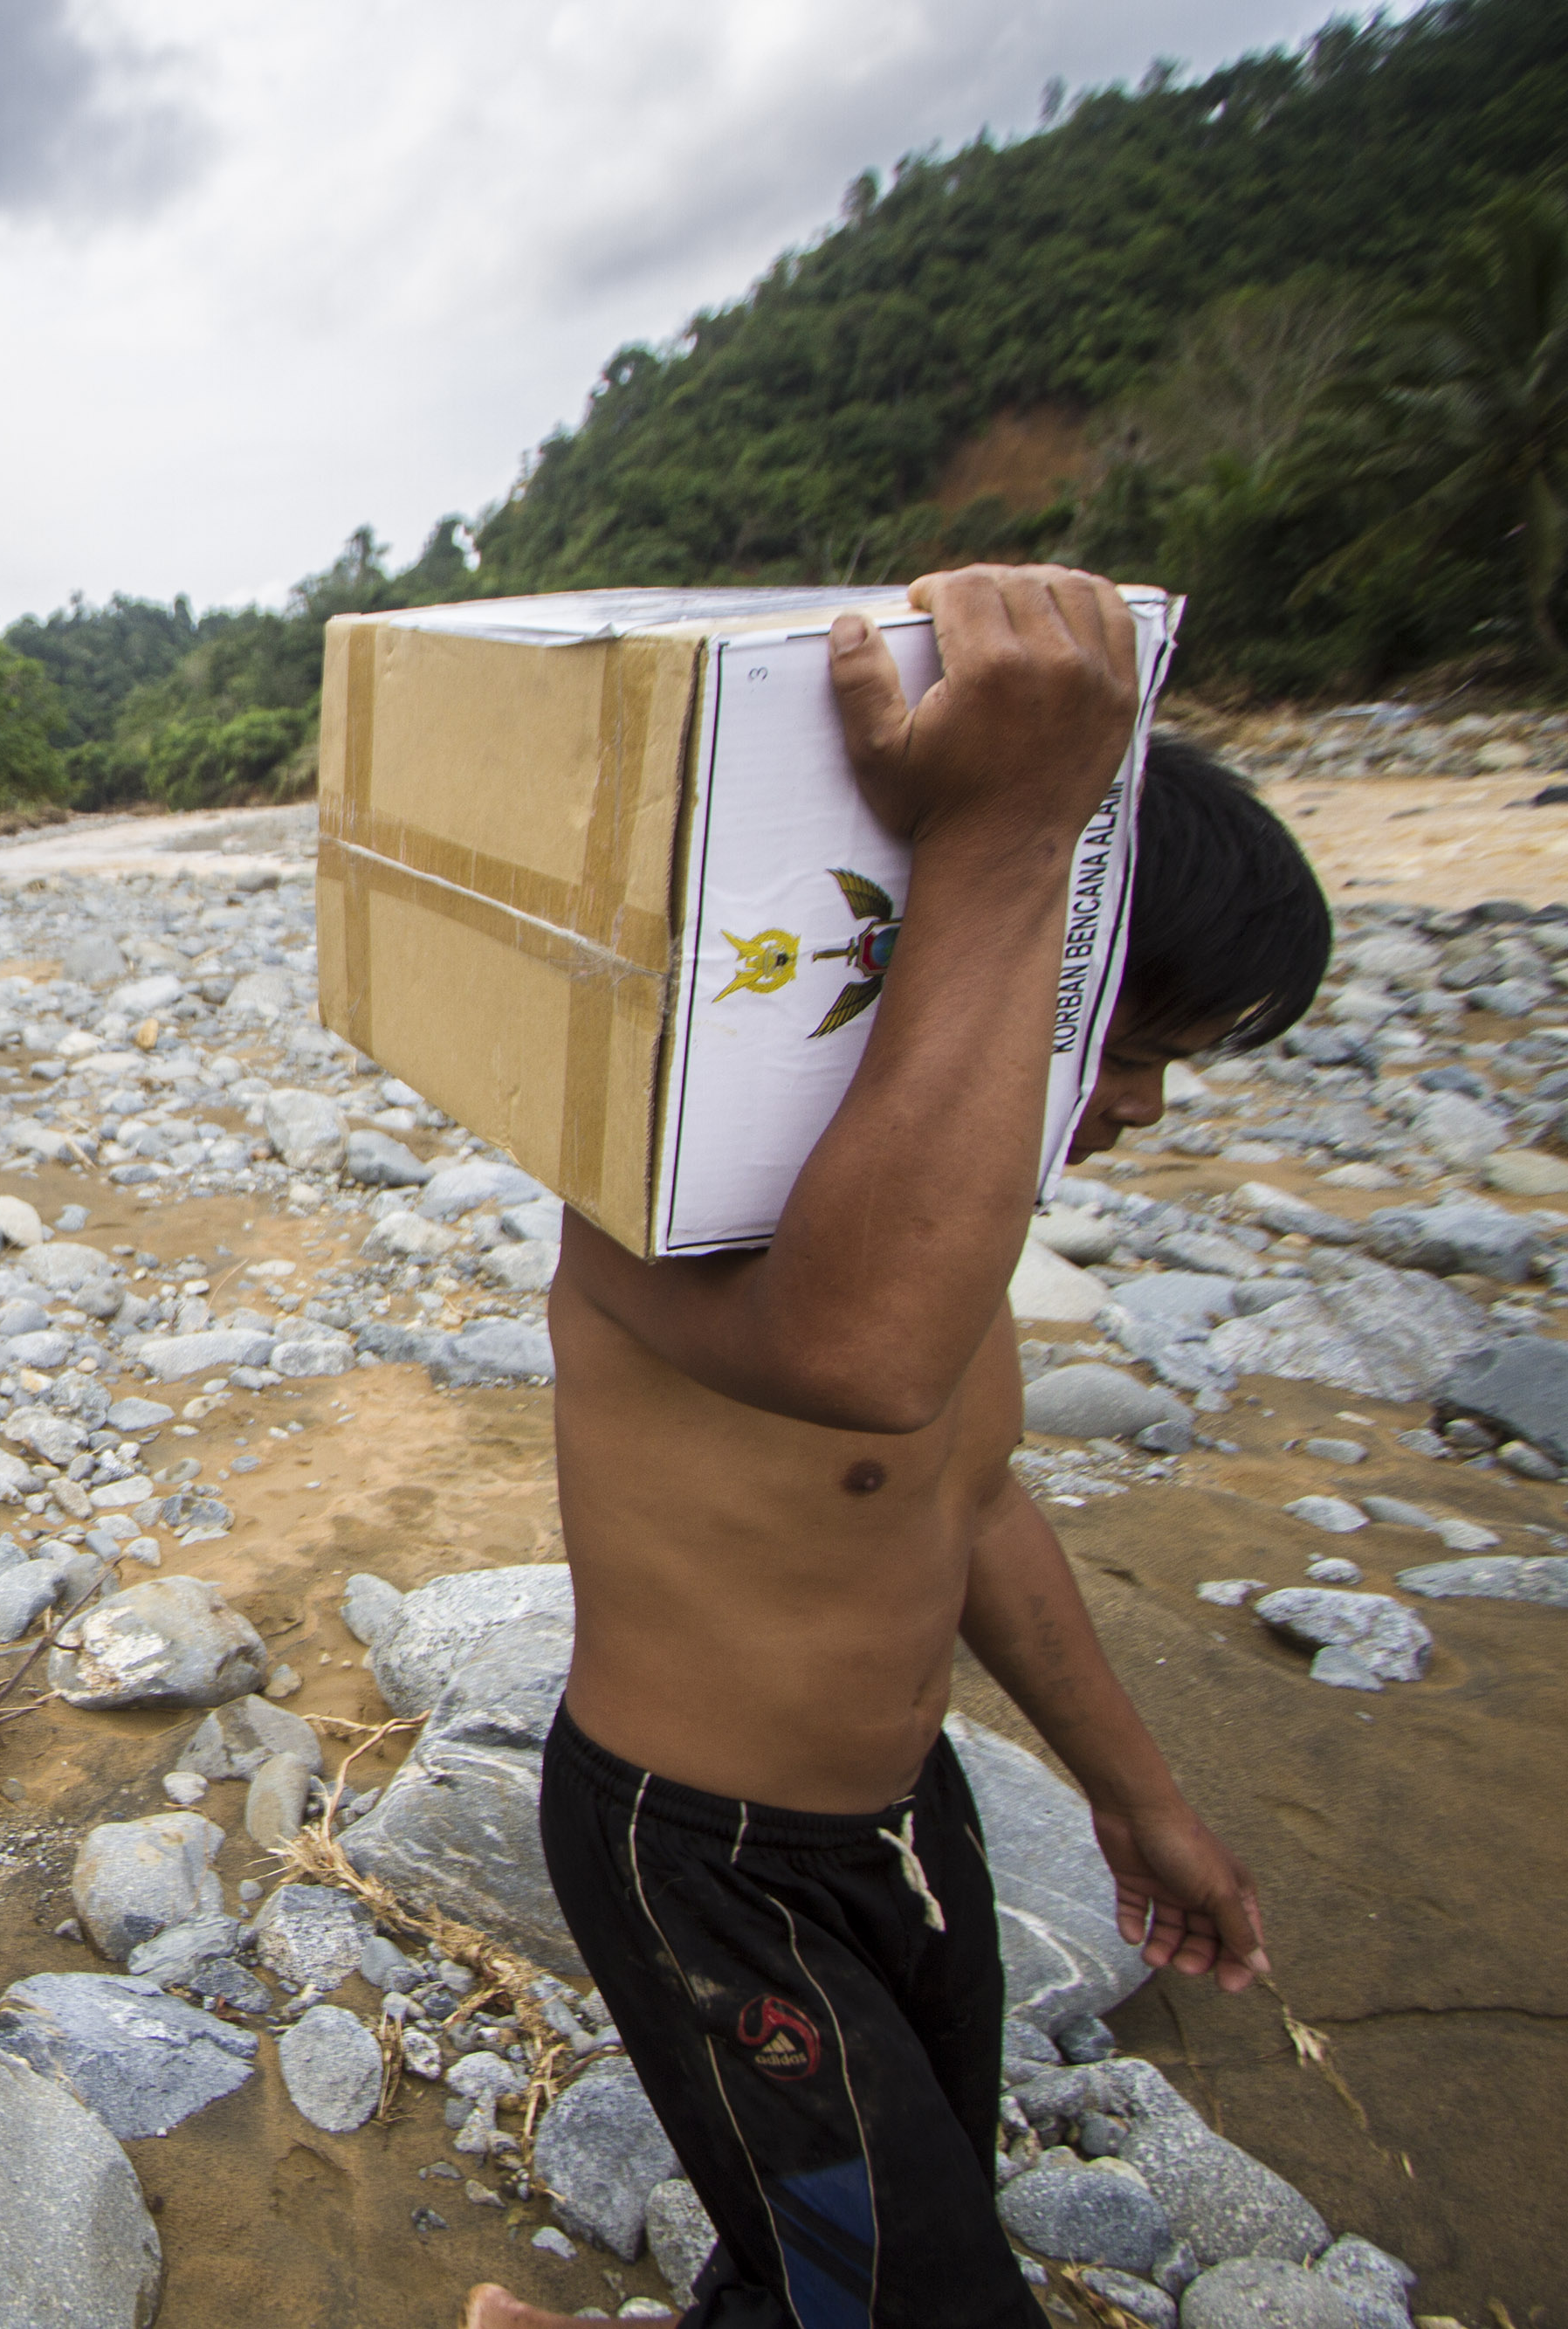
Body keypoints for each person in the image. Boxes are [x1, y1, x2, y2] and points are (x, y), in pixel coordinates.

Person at [469, 569, 1329, 2329]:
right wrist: (1009, 833)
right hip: (694, 1858)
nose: (1143, 1104)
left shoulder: (943, 1219)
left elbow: (967, 1497)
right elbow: (855, 1363)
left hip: (893, 1824)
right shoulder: (663, 1207)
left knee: (849, 2233)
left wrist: (1137, 1800)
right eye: (1127, 1041)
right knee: (928, 2295)